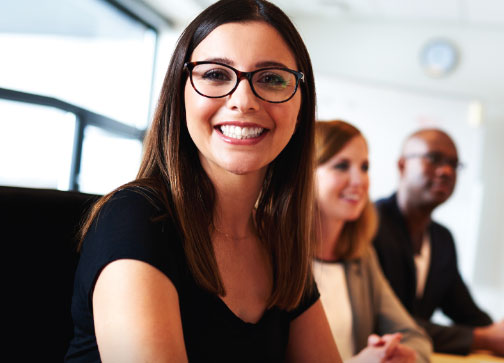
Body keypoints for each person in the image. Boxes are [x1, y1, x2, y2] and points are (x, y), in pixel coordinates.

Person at [65, 1, 342, 361]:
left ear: (302, 106)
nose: (243, 101)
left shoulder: (278, 242)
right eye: (215, 75)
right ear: (180, 94)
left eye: (271, 78)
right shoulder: (134, 218)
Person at [373, 128, 504, 361]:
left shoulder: (442, 239)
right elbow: (385, 322)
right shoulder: (369, 226)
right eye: (433, 159)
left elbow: (464, 310)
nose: (446, 171)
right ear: (401, 166)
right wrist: (485, 338)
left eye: (454, 164)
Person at [313, 120, 433, 363]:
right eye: (342, 166)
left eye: (364, 167)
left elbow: (413, 336)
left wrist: (405, 356)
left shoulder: (361, 257)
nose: (359, 181)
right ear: (304, 174)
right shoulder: (274, 257)